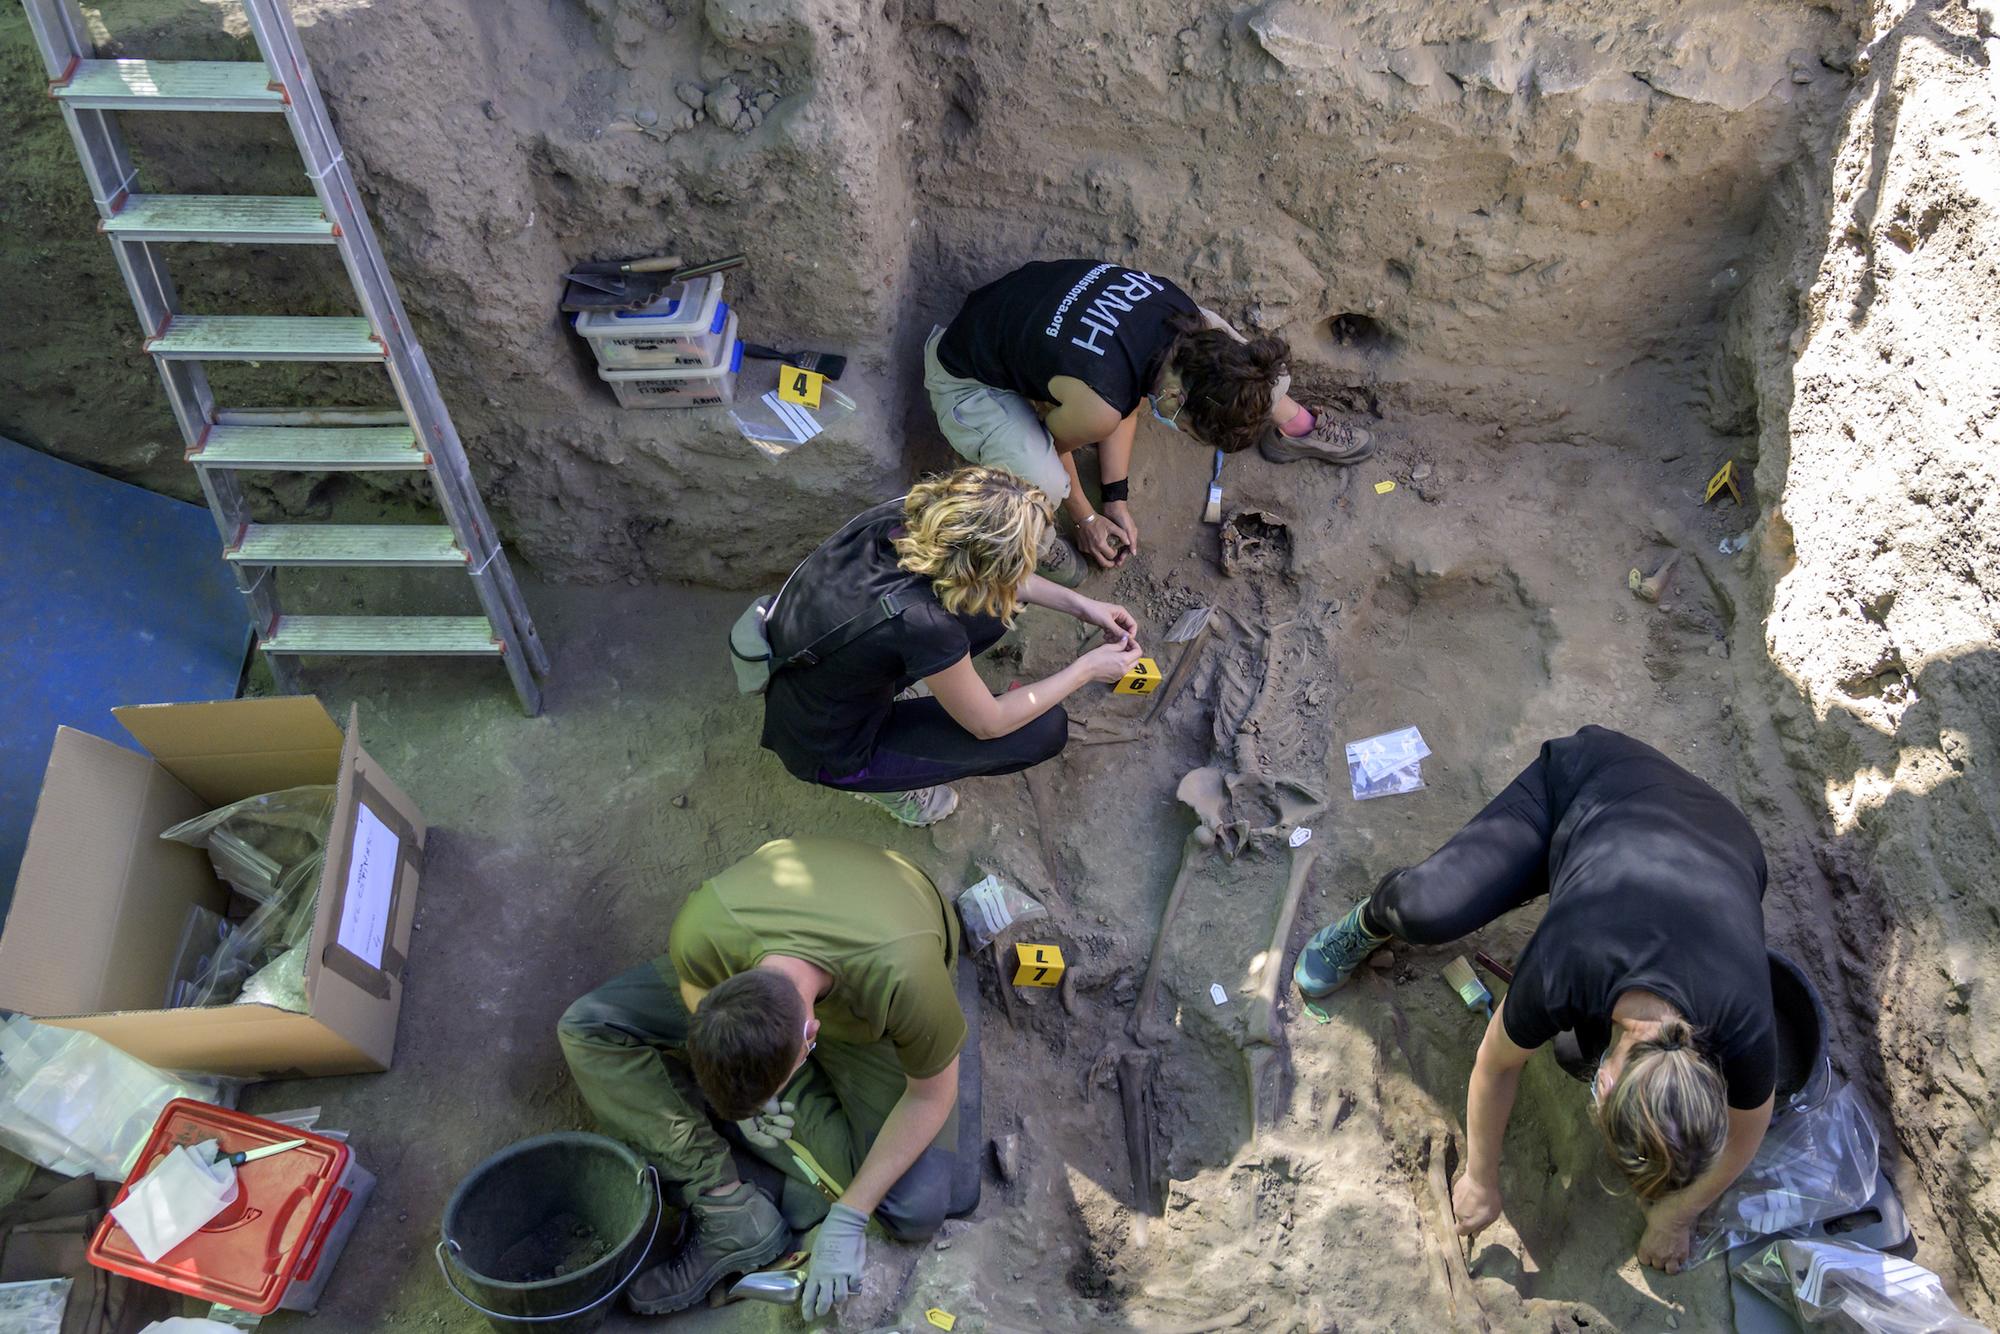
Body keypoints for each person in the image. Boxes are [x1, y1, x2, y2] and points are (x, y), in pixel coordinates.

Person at [1292, 726, 1776, 1273]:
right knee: (1427, 909)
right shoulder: (1566, 965)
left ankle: (1577, 875)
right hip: (1593, 784)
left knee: (1572, 1054)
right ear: (1612, 1081)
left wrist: (1676, 1216)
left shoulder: (1747, 1021)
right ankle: (1372, 918)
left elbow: (1745, 1133)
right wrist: (1479, 1177)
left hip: (1719, 837)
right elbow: (1494, 1067)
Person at [558, 837, 970, 1317]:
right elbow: (694, 985)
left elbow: (930, 1097)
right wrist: (746, 1078)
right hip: (793, 948)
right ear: (728, 987)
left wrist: (850, 1214)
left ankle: (805, 1144)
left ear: (811, 1038)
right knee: (587, 1026)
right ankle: (724, 1204)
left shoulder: (904, 979)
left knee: (910, 1209)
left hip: (881, 980)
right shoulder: (704, 932)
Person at [925, 257, 1376, 571]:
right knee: (1043, 479)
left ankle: (1293, 426)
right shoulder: (1102, 401)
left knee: (1249, 367)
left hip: (1031, 304)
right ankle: (1037, 542)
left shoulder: (1182, 318)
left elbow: (1128, 395)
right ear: (1176, 401)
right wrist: (1086, 518)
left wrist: (1115, 497)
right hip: (965, 375)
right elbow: (1059, 440)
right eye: (1190, 430)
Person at [760, 465, 1143, 826]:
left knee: (994, 609)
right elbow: (989, 724)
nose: (1030, 568)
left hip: (815, 664)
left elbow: (992, 579)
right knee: (1044, 729)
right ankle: (887, 789)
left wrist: (1084, 607)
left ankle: (893, 686)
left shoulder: (910, 515)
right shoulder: (925, 624)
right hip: (827, 745)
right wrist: (1088, 669)